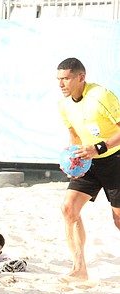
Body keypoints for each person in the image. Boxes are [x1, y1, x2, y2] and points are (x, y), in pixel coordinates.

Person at [56, 57, 120, 282]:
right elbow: (74, 134)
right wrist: (72, 161)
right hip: (89, 161)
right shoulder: (63, 105)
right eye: (59, 79)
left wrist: (99, 147)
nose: (61, 84)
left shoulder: (101, 96)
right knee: (68, 209)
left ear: (81, 77)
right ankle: (79, 269)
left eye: (66, 78)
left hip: (115, 160)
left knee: (118, 220)